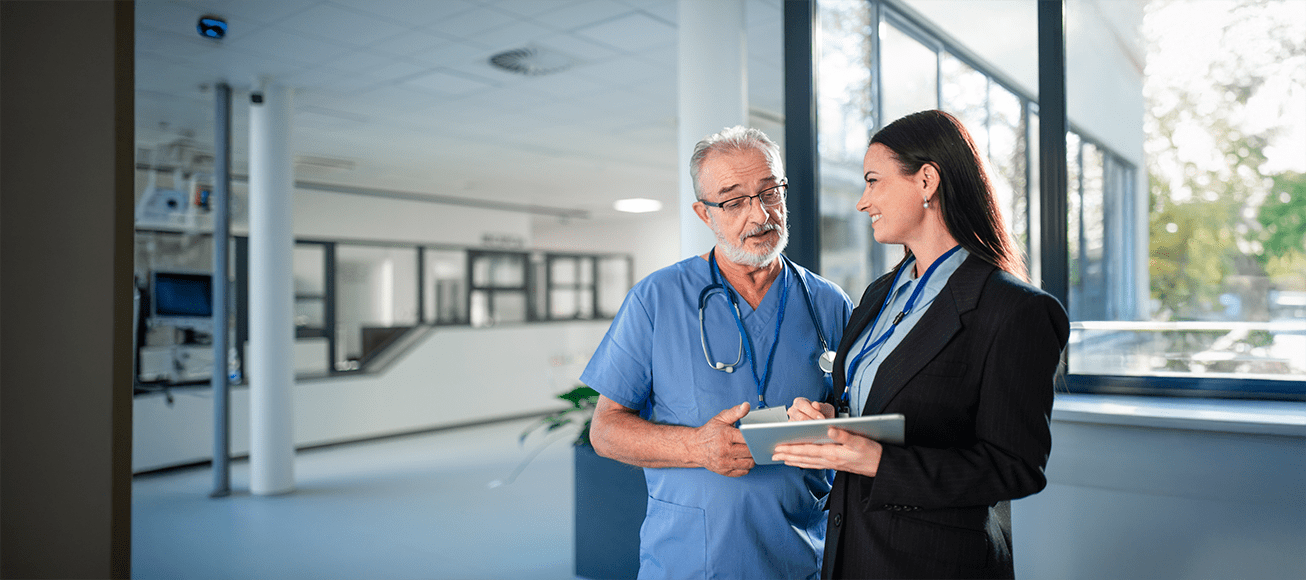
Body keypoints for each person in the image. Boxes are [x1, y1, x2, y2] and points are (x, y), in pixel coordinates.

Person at [773, 110, 1070, 579]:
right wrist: (834, 418)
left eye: (873, 181)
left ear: (927, 180)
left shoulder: (1015, 310)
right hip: (851, 553)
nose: (861, 201)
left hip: (935, 565)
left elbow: (1015, 469)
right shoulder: (879, 294)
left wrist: (881, 463)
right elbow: (877, 402)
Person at [580, 126, 853, 579]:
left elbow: (855, 414)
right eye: (733, 200)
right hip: (689, 559)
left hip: (802, 555)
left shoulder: (828, 302)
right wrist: (695, 446)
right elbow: (604, 431)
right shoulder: (657, 299)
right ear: (704, 214)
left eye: (771, 192)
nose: (760, 214)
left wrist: (830, 419)